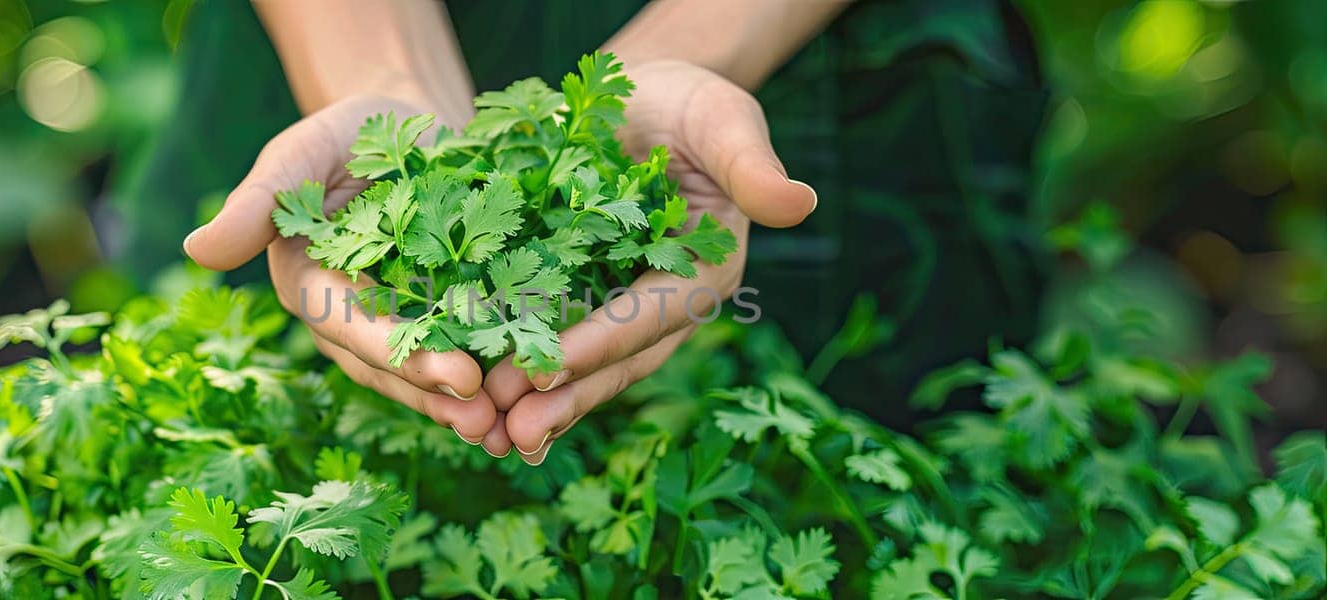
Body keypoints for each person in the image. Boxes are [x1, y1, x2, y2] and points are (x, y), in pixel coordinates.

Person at [133, 0, 1046, 464]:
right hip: (323, 41)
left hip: (839, 78)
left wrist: (697, 43)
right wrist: (383, 76)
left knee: (858, 446)